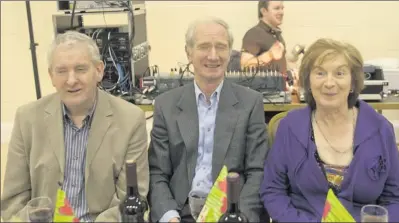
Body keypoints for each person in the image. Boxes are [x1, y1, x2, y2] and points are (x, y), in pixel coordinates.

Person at [1, 31, 149, 222]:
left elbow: (130, 200)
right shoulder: (27, 119)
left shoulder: (130, 120)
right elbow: (13, 202)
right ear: (51, 76)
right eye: (62, 71)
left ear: (99, 71)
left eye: (80, 69)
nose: (71, 80)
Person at [260, 38, 399, 222]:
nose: (329, 83)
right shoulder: (289, 127)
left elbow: (397, 198)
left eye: (339, 73)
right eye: (320, 73)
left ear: (353, 83)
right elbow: (273, 191)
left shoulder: (380, 129)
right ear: (308, 81)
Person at [148, 17, 269, 222]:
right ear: (188, 52)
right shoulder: (165, 106)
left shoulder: (251, 103)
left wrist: (240, 216)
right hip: (180, 213)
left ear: (230, 53)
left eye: (220, 47)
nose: (213, 56)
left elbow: (257, 171)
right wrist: (169, 216)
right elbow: (157, 173)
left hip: (231, 212)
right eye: (204, 47)